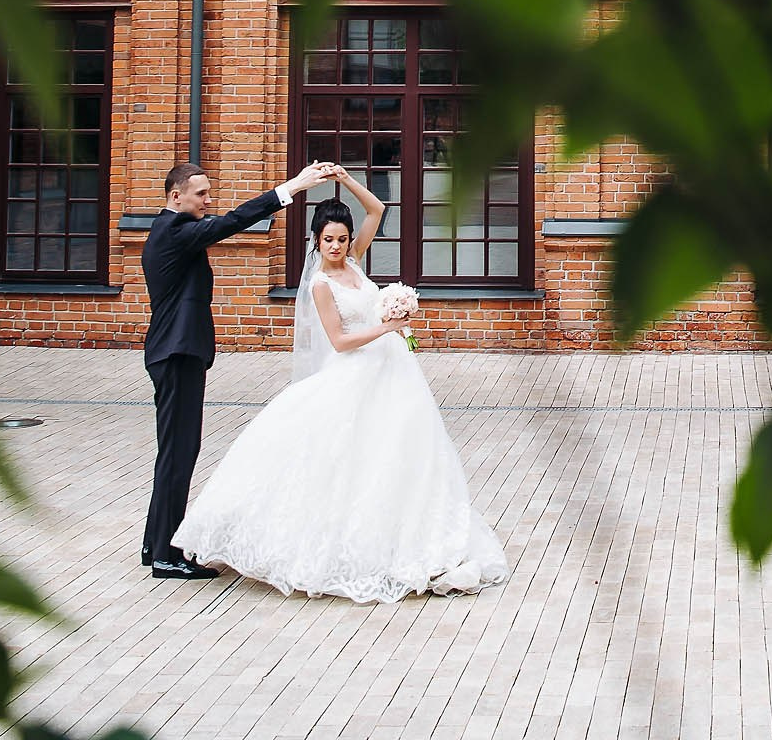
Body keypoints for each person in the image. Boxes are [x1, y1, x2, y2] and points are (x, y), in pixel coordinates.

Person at [170, 168, 510, 601]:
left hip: (392, 373)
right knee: (351, 459)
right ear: (316, 242)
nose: (336, 246)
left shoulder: (354, 262)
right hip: (354, 372)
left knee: (404, 453)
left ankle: (407, 534)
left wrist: (346, 179)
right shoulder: (321, 284)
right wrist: (387, 327)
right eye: (328, 240)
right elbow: (340, 341)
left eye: (342, 239)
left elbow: (378, 208)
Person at [140, 158, 331, 580]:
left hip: (174, 351)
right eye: (201, 193)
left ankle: (156, 543)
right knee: (179, 451)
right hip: (177, 353)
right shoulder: (175, 232)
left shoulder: (168, 230)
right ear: (177, 196)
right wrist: (293, 187)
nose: (208, 200)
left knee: (174, 450)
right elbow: (233, 221)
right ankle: (165, 556)